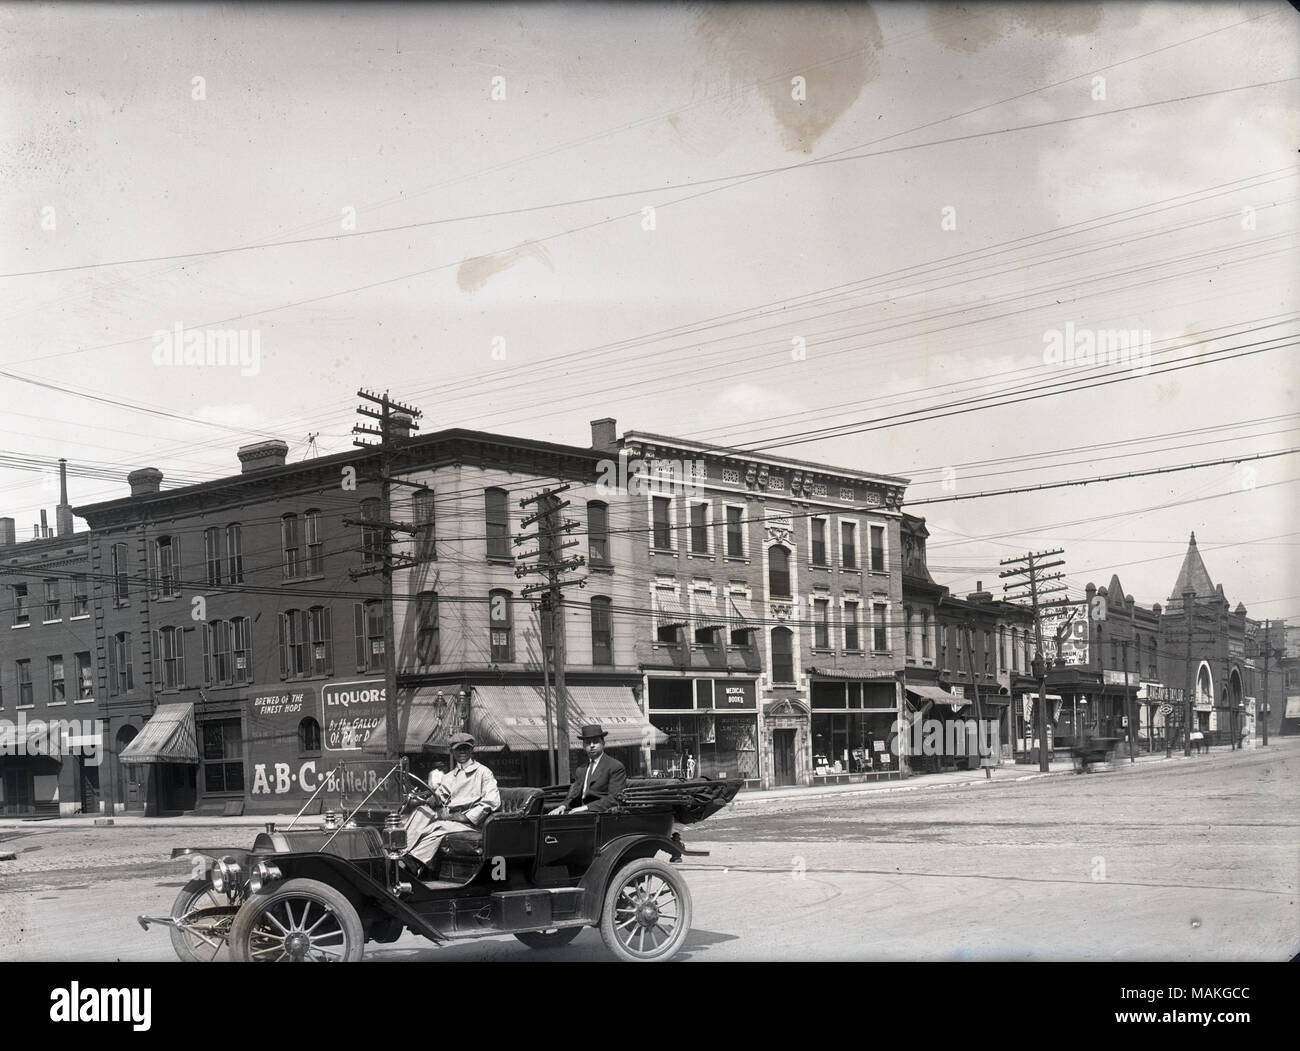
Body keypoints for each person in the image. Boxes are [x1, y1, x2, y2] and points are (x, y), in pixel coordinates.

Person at [404, 732, 500, 873]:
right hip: (449, 818)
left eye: (465, 748)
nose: (462, 752)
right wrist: (430, 800)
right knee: (421, 812)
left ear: (471, 750)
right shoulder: (449, 776)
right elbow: (440, 796)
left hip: (469, 823)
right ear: (452, 751)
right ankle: (399, 851)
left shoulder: (483, 773)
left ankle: (414, 862)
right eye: (458, 749)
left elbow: (492, 801)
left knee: (437, 828)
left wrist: (465, 817)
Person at [548, 724, 627, 815]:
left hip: (601, 814)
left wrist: (585, 808)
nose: (592, 745)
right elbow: (574, 796)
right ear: (583, 746)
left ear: (603, 743)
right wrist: (562, 806)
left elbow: (615, 799)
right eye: (588, 742)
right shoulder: (581, 770)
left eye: (595, 742)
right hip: (580, 813)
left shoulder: (615, 766)